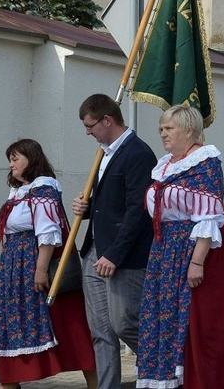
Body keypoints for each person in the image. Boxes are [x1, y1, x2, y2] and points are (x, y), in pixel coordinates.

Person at [135, 105, 224, 388]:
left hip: (193, 249)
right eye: (161, 129)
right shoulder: (165, 165)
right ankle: (166, 379)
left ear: (189, 130)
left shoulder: (206, 162)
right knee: (161, 318)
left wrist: (197, 261)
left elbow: (209, 217)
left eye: (169, 129)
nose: (163, 134)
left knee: (194, 324)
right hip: (165, 251)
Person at [0, 139, 97, 389]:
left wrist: (40, 271)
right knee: (16, 323)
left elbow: (49, 234)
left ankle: (97, 383)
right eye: (10, 159)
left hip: (35, 265)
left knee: (65, 325)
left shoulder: (43, 190)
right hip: (14, 267)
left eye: (15, 158)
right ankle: (10, 381)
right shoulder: (20, 192)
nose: (11, 164)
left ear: (31, 159)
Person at [72, 94, 156, 389]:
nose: (88, 132)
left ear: (107, 120)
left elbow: (138, 210)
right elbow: (114, 203)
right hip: (94, 251)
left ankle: (163, 368)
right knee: (101, 331)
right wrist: (89, 206)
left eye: (90, 126)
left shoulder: (138, 153)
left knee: (124, 323)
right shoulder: (106, 152)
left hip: (123, 257)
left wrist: (115, 254)